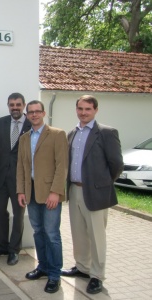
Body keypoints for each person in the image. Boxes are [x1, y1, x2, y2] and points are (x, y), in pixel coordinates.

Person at [61, 95, 123, 295]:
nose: (83, 112)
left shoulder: (106, 132)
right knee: (78, 234)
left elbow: (116, 164)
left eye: (87, 109)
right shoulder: (72, 133)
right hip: (74, 189)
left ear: (95, 110)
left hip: (95, 192)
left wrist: (102, 183)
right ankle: (82, 267)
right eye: (80, 108)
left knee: (97, 237)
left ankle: (97, 276)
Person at [17, 100, 68, 293]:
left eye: (38, 111)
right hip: (31, 193)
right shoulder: (24, 138)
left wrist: (56, 192)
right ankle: (43, 267)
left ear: (44, 113)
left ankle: (55, 274)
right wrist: (21, 191)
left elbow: (62, 165)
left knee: (52, 234)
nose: (34, 115)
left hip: (50, 195)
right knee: (38, 231)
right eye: (31, 112)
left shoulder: (57, 134)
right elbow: (21, 168)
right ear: (27, 115)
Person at [0, 92, 31, 265]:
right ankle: (3, 246)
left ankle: (14, 250)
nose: (15, 108)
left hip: (20, 179)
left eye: (18, 104)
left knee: (18, 215)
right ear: (8, 106)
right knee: (0, 213)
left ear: (24, 105)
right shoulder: (0, 122)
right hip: (0, 177)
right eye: (12, 105)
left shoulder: (31, 123)